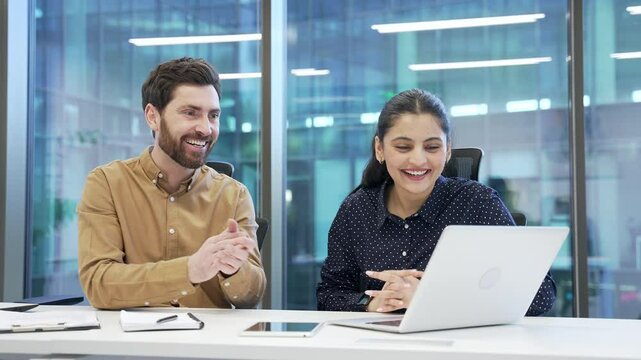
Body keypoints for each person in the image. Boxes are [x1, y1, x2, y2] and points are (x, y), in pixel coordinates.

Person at [316, 88, 555, 315]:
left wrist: (432, 298)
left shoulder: (478, 203)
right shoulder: (356, 210)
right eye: (403, 147)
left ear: (448, 150)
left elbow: (541, 294)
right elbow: (329, 294)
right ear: (380, 148)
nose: (418, 159)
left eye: (431, 147)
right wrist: (372, 301)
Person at [78, 57, 266, 309]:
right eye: (190, 113)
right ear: (153, 117)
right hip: (130, 346)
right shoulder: (107, 184)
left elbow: (251, 296)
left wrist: (235, 270)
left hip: (207, 345)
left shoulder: (234, 195)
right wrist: (190, 270)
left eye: (213, 115)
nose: (206, 128)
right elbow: (98, 284)